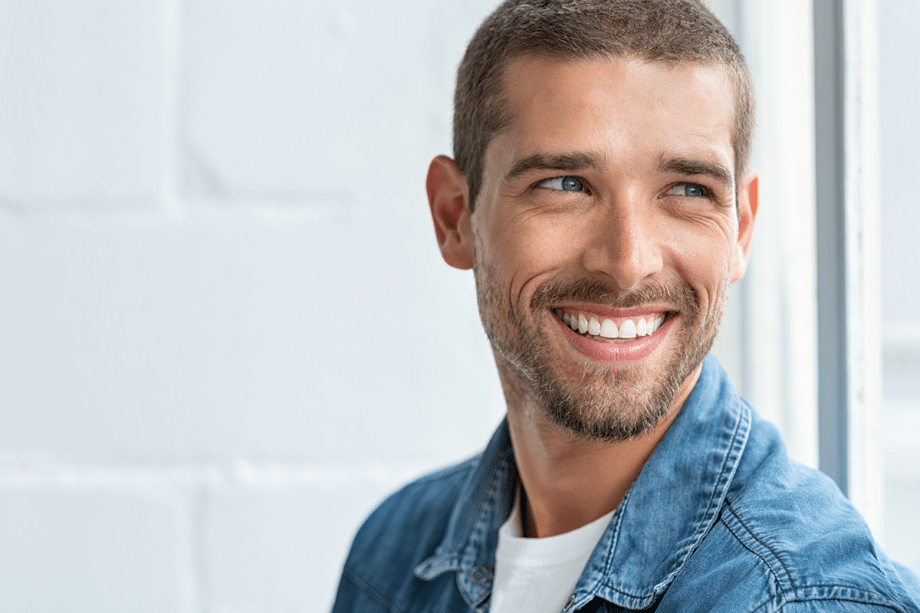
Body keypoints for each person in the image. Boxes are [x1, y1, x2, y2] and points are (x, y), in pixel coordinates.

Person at [331, 1, 920, 611]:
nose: (627, 261)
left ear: (741, 229)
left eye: (689, 191)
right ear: (455, 216)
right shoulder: (393, 557)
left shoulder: (801, 599)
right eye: (565, 184)